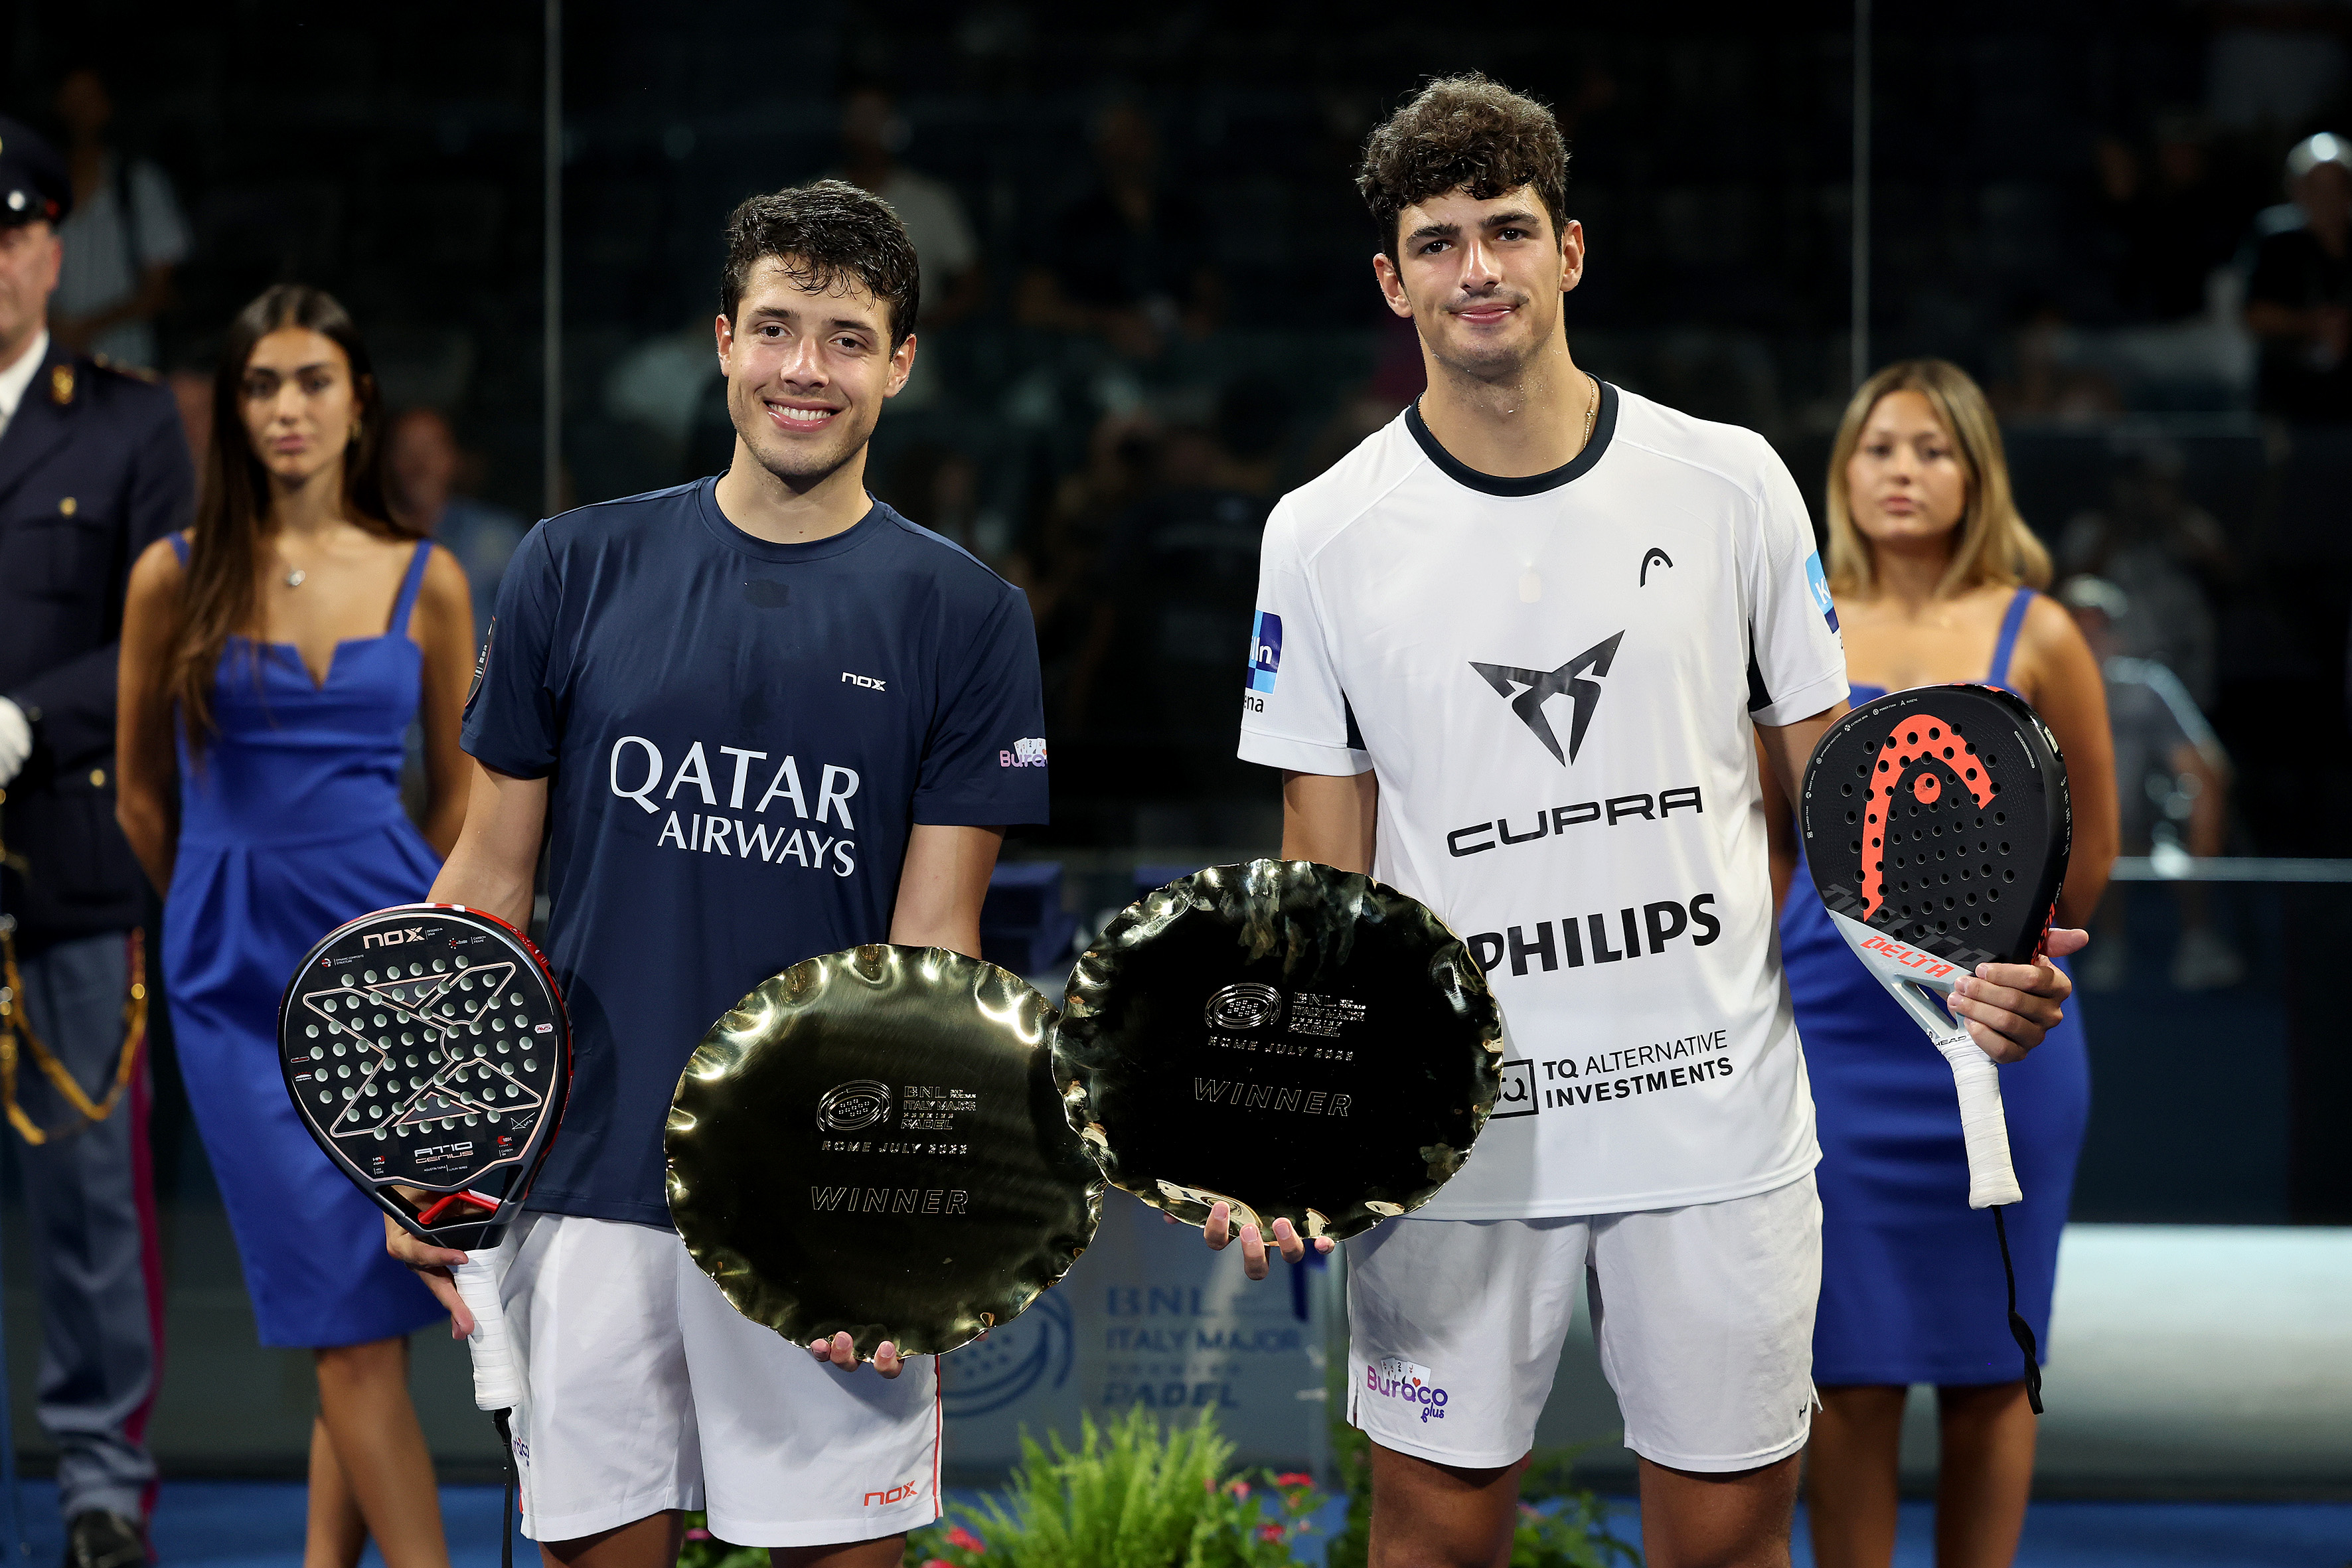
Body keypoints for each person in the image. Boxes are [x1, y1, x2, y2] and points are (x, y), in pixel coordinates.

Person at [1225, 77, 2085, 1568]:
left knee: (1730, 1540)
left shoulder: (1731, 478)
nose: (1475, 269)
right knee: (1429, 1534)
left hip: (1710, 1113)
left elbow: (1840, 795)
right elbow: (1322, 863)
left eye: (1506, 231)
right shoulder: (1317, 532)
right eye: (1437, 242)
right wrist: (1292, 1107)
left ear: (1572, 249)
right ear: (1391, 278)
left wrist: (1961, 972)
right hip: (1456, 1133)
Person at [388, 180, 1048, 1568]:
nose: (805, 368)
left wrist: (926, 1224)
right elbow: (486, 891)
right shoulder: (572, 566)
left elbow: (937, 955)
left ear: (901, 363)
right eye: (775, 328)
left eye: (847, 337)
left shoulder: (971, 620)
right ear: (722, 340)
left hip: (829, 1209)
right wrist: (432, 1155)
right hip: (587, 1185)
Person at [114, 285, 474, 1568]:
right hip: (230, 985)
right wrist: (215, 905)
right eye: (262, 384)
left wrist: (430, 979)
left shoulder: (430, 581)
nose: (285, 409)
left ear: (357, 398)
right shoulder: (172, 573)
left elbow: (460, 807)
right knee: (344, 1318)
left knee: (365, 1312)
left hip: (384, 979)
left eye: (312, 381)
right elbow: (143, 797)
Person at [1761, 360, 2118, 1568]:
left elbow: (2091, 851)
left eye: (1929, 449)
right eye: (1877, 448)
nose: (1900, 472)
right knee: (1844, 1373)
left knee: (1990, 1371)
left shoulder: (2043, 632)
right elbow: (1766, 837)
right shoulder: (1789, 625)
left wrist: (2003, 968)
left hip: (2002, 1048)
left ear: (1975, 473)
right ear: (1841, 472)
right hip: (1827, 1048)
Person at [0, 115, 189, 1568]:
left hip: (62, 855)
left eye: (15, 228)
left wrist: (26, 720)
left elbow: (170, 634)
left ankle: (101, 1485)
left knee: (87, 1196)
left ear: (55, 244)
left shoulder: (127, 422)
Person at [2061, 575, 2239, 992]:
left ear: (2118, 635)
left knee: (2185, 823)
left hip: (2152, 829)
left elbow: (2207, 771)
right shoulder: (2037, 688)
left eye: (2098, 627)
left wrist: (2201, 846)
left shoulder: (2148, 688)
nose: (2090, 640)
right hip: (2068, 835)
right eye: (2077, 629)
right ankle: (2104, 945)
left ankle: (2199, 938)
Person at [1016, 101, 1218, 362]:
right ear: (1100, 148)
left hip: (1180, 361)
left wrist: (1202, 315)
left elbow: (1210, 287)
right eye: (1120, 137)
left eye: (1139, 135)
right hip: (1094, 363)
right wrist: (1106, 322)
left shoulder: (1185, 218)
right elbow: (1030, 307)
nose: (1132, 148)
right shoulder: (1072, 224)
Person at [48, 68, 191, 372]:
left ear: (109, 106)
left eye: (88, 100)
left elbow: (159, 290)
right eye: (70, 102)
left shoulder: (140, 186)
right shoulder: (34, 190)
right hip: (50, 372)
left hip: (127, 369)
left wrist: (85, 328)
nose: (78, 114)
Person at [384, 406, 526, 643]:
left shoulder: (496, 540)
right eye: (407, 450)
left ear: (453, 459)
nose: (420, 465)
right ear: (386, 463)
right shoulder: (364, 543)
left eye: (431, 450)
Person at [2244, 133, 2352, 422]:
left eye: (2337, 187)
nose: (2327, 199)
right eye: (2316, 187)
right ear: (2297, 191)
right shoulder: (2277, 241)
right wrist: (2313, 325)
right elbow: (2255, 314)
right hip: (2291, 390)